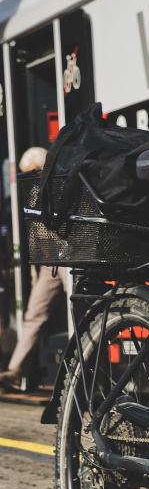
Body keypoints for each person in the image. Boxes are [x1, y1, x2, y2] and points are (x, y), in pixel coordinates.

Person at [0, 147, 67, 392]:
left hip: (68, 257)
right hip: (49, 263)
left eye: (29, 173)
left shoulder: (61, 184)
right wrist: (34, 268)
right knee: (34, 314)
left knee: (77, 310)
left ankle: (88, 369)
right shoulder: (37, 192)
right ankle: (16, 370)